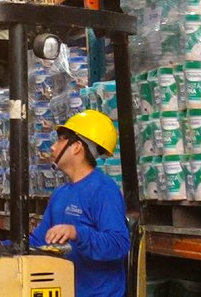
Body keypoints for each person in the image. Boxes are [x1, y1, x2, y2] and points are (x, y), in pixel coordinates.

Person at [29, 109, 129, 297]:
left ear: (77, 147)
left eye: (61, 139)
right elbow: (40, 241)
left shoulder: (103, 189)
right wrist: (1, 247)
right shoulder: (60, 193)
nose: (53, 147)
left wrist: (76, 233)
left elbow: (119, 243)